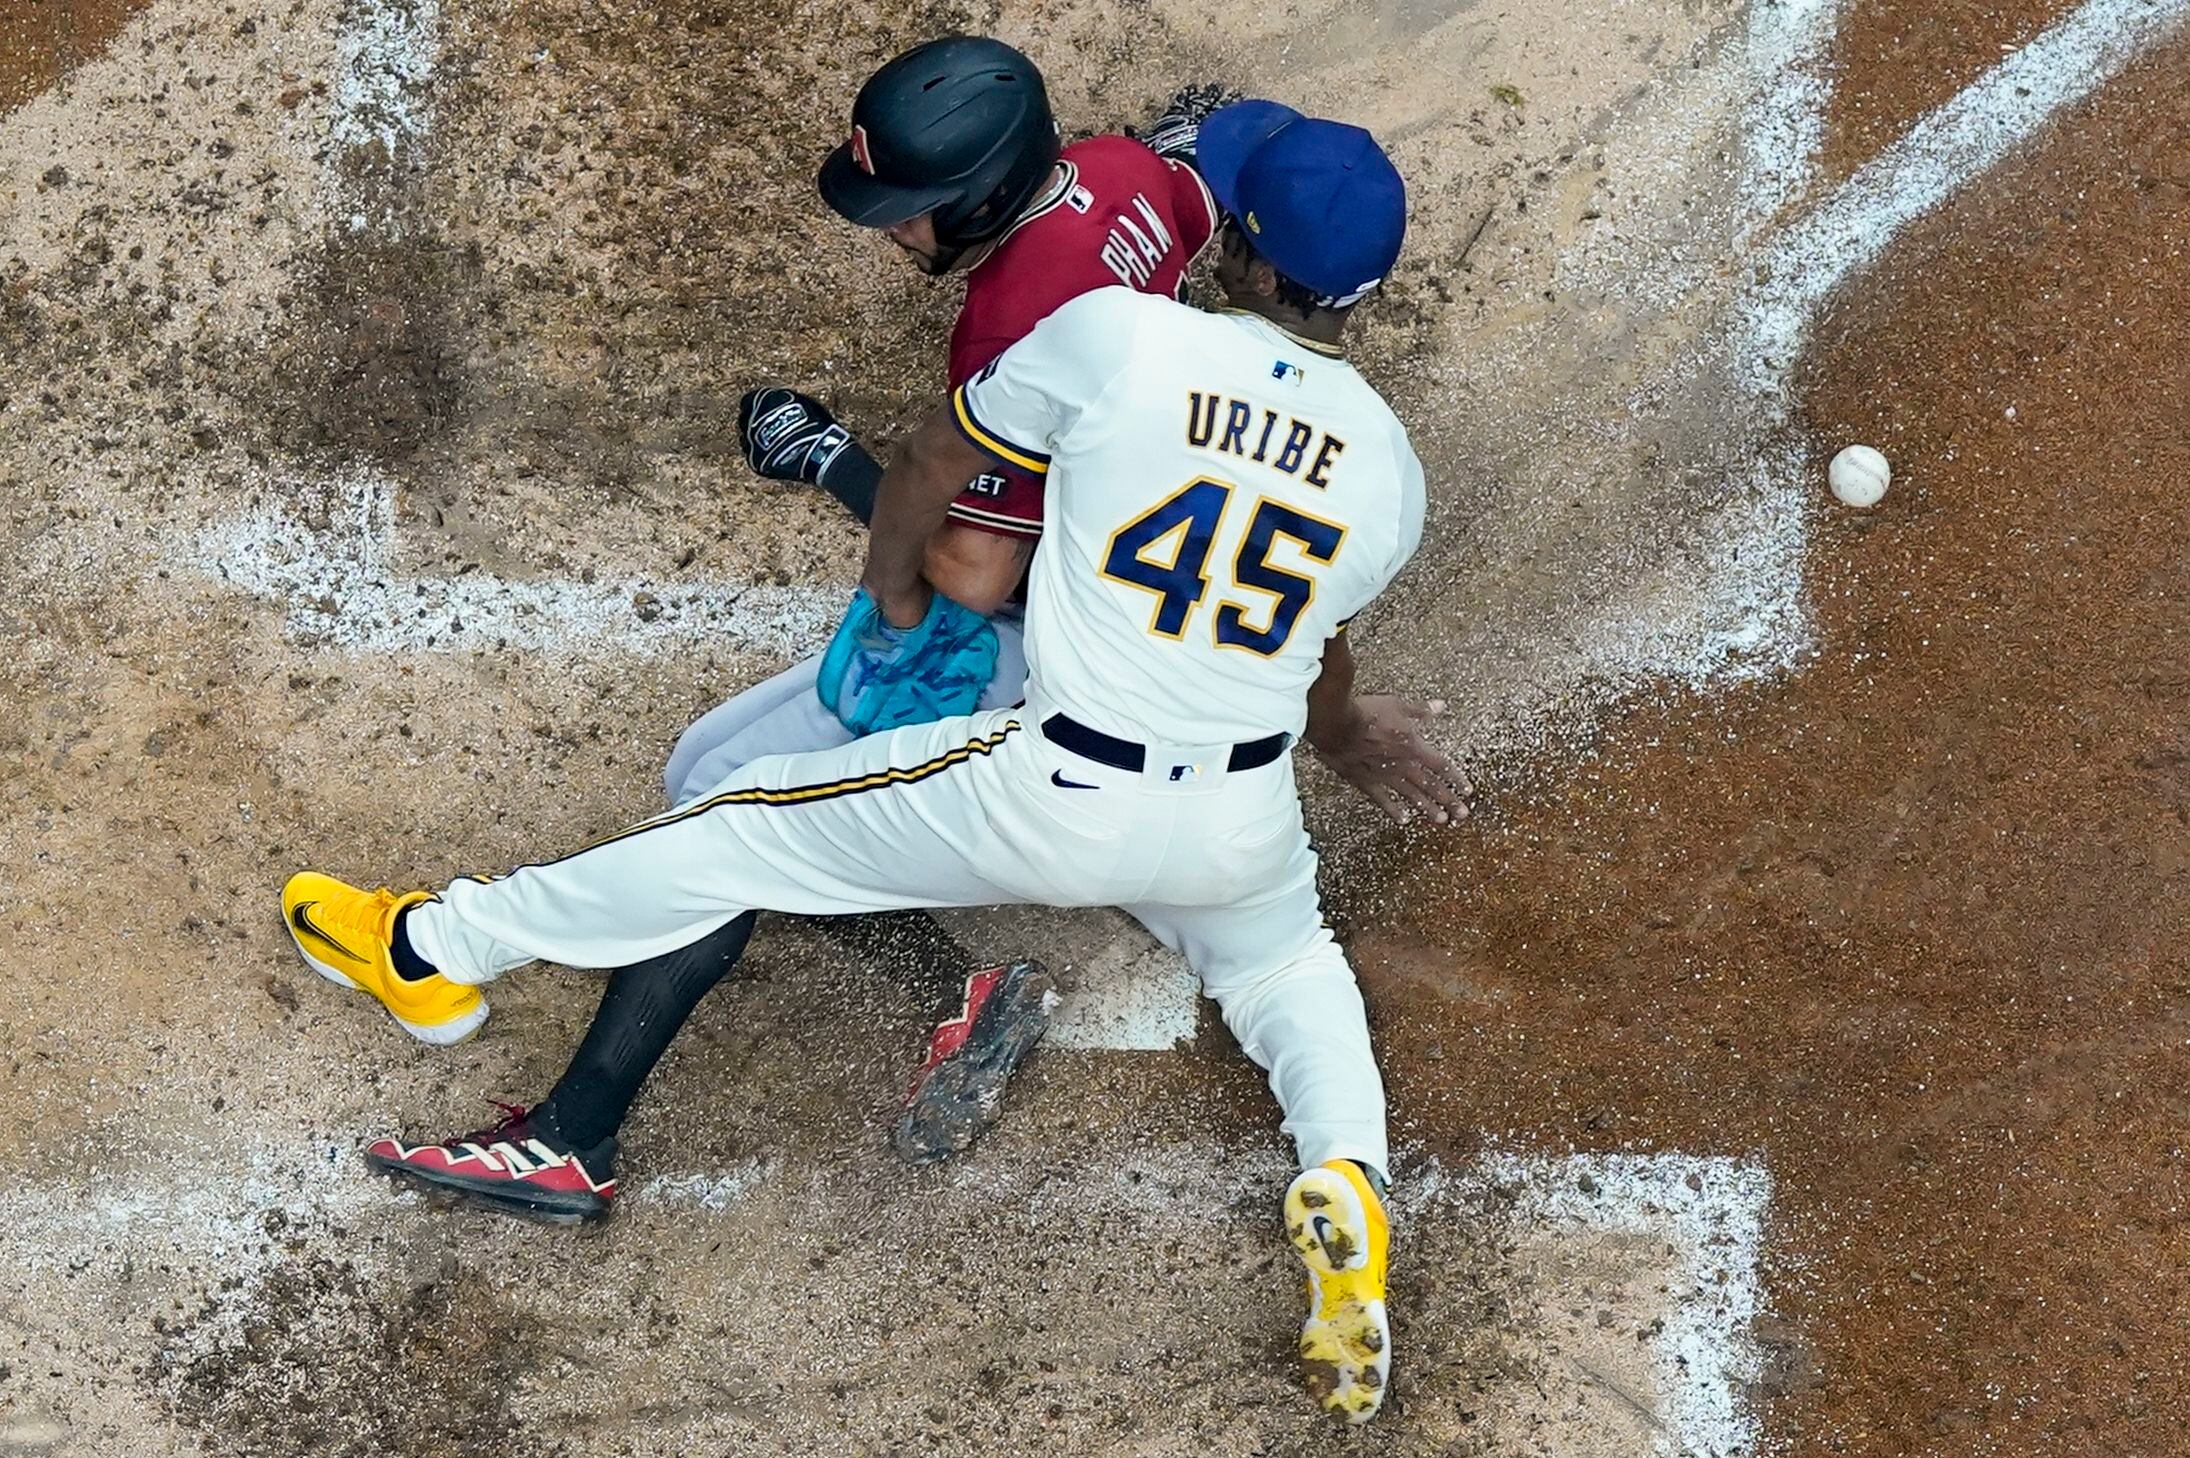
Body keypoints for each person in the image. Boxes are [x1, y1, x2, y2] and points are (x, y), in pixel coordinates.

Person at [281, 103, 1460, 1424]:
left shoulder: (1121, 338)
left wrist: (893, 599)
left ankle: (437, 947)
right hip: (1239, 813)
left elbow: (937, 475)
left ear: (1237, 248)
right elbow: (1326, 667)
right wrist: (1348, 740)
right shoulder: (1389, 475)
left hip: (1053, 786)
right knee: (1290, 974)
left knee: (740, 811)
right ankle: (1347, 1190)